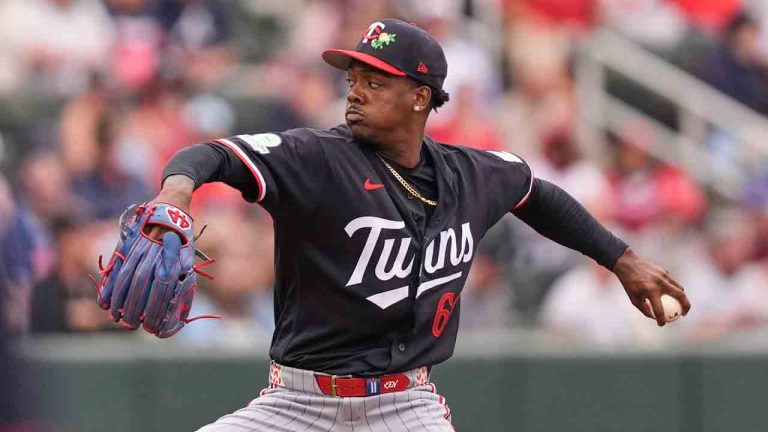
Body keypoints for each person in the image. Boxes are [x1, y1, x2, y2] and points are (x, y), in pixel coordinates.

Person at [110, 19, 691, 431]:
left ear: (420, 97)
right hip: (296, 406)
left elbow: (537, 195)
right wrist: (175, 194)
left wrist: (622, 259)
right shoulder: (315, 158)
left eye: (375, 81)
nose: (356, 92)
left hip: (405, 409)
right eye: (354, 79)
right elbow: (212, 155)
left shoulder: (472, 174)